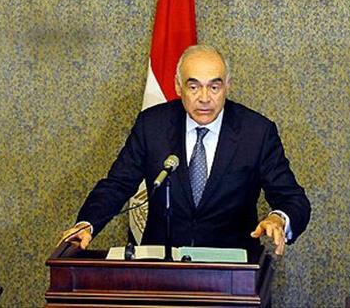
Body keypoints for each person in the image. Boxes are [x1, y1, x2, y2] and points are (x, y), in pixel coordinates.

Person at [61, 45, 310, 256]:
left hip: (232, 273)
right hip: (161, 267)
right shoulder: (152, 125)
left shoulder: (256, 132)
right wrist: (88, 223)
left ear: (227, 86)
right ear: (178, 86)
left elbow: (292, 198)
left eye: (214, 87)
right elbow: (117, 184)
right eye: (194, 87)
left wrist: (279, 218)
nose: (204, 98)